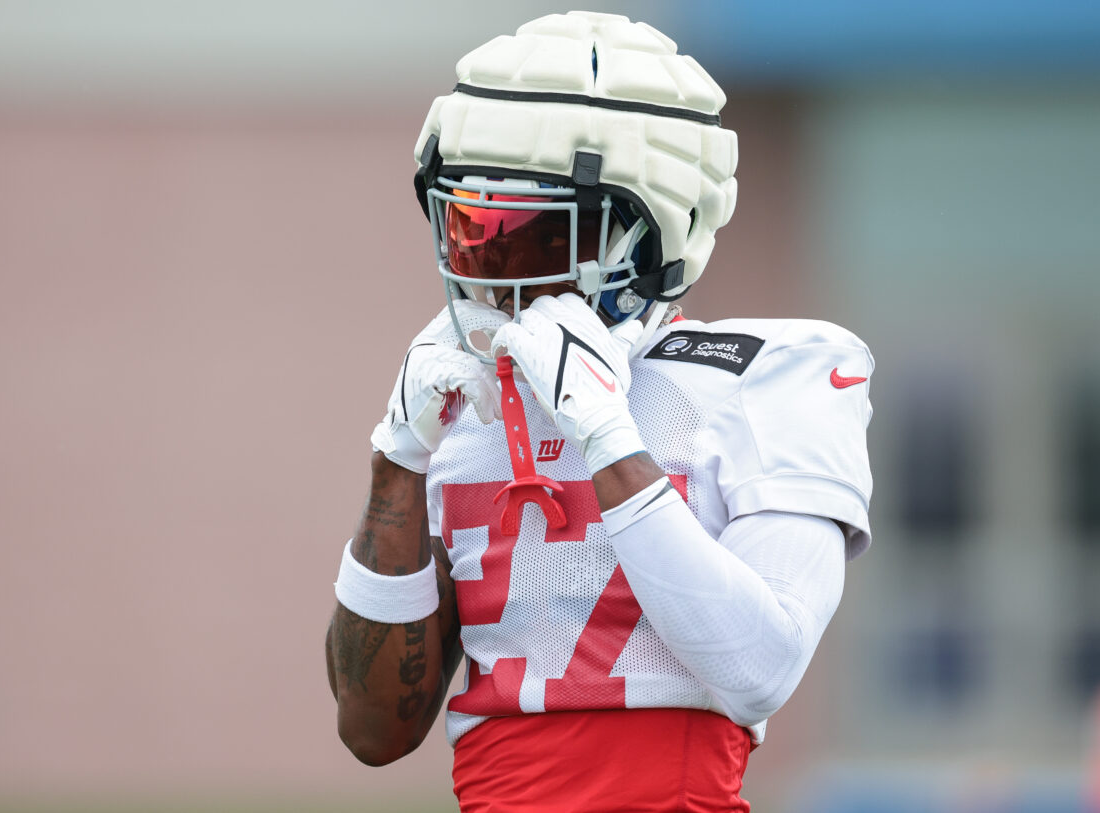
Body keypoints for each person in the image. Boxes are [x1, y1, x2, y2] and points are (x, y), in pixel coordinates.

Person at [325, 10, 874, 812]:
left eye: (531, 235)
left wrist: (608, 433)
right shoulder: (467, 399)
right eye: (472, 232)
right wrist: (396, 460)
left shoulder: (768, 376)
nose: (493, 275)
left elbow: (760, 670)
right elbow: (373, 731)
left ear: (644, 235)